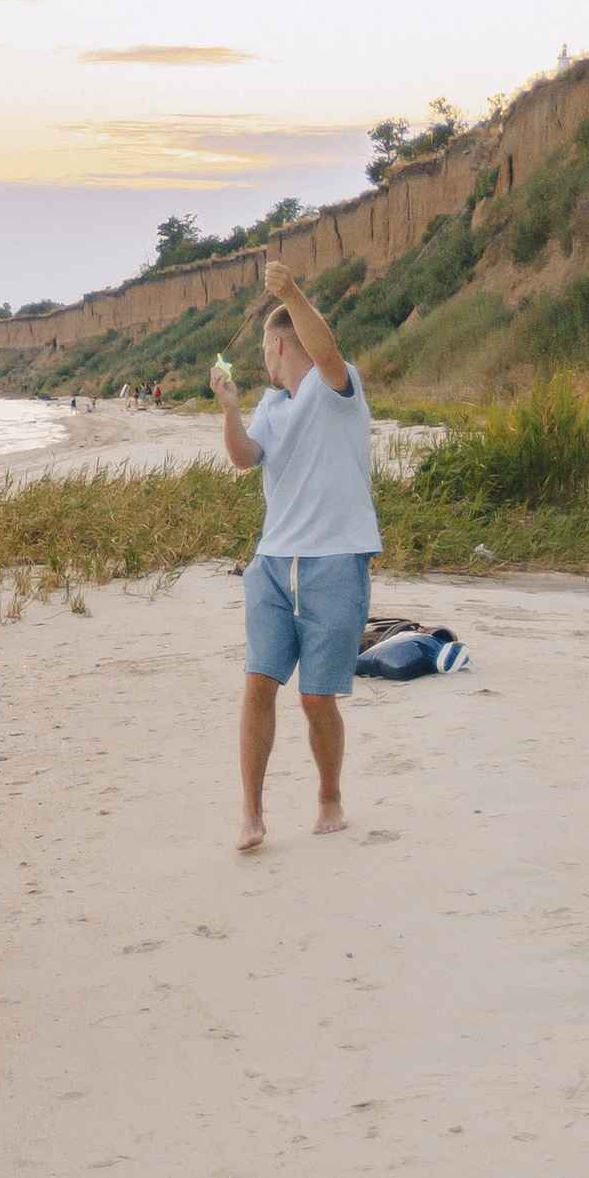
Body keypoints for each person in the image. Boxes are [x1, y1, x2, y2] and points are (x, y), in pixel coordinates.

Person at [215, 254, 379, 849]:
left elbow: (327, 352)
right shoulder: (272, 407)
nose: (263, 359)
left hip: (334, 559)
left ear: (280, 346)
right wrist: (231, 410)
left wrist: (293, 293)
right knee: (259, 683)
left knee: (316, 696)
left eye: (266, 349)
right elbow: (243, 458)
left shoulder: (338, 388)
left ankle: (329, 796)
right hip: (272, 563)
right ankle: (252, 813)